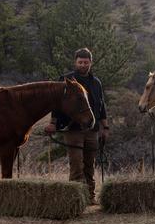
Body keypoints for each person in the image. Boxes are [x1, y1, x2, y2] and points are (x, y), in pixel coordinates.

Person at [44, 47, 109, 203]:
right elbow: (56, 104)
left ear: (90, 63)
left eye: (86, 62)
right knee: (76, 164)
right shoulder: (66, 80)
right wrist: (52, 123)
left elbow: (101, 106)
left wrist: (105, 127)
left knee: (89, 165)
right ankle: (75, 198)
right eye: (80, 62)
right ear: (75, 62)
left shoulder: (96, 82)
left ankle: (90, 197)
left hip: (92, 129)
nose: (83, 65)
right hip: (72, 129)